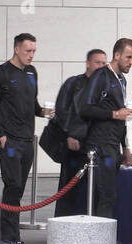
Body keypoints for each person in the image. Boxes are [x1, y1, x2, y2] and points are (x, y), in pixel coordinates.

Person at [0, 33, 53, 244]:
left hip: (27, 140)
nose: (31, 55)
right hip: (9, 141)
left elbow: (32, 105)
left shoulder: (32, 73)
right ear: (16, 49)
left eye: (34, 51)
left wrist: (43, 112)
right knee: (12, 186)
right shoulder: (1, 74)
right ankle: (10, 240)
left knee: (17, 189)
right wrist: (0, 135)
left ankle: (10, 238)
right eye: (27, 51)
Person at [80, 38, 132, 244]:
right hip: (99, 144)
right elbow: (85, 108)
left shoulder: (121, 80)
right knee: (106, 196)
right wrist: (114, 114)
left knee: (108, 196)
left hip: (113, 145)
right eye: (128, 57)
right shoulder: (100, 76)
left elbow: (122, 117)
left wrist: (127, 148)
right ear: (117, 55)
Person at [53, 49, 107, 217]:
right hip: (75, 146)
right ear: (88, 63)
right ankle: (63, 226)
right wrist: (70, 134)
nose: (101, 66)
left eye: (104, 63)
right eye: (97, 62)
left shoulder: (106, 87)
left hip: (97, 145)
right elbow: (61, 111)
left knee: (97, 191)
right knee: (69, 188)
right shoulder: (74, 83)